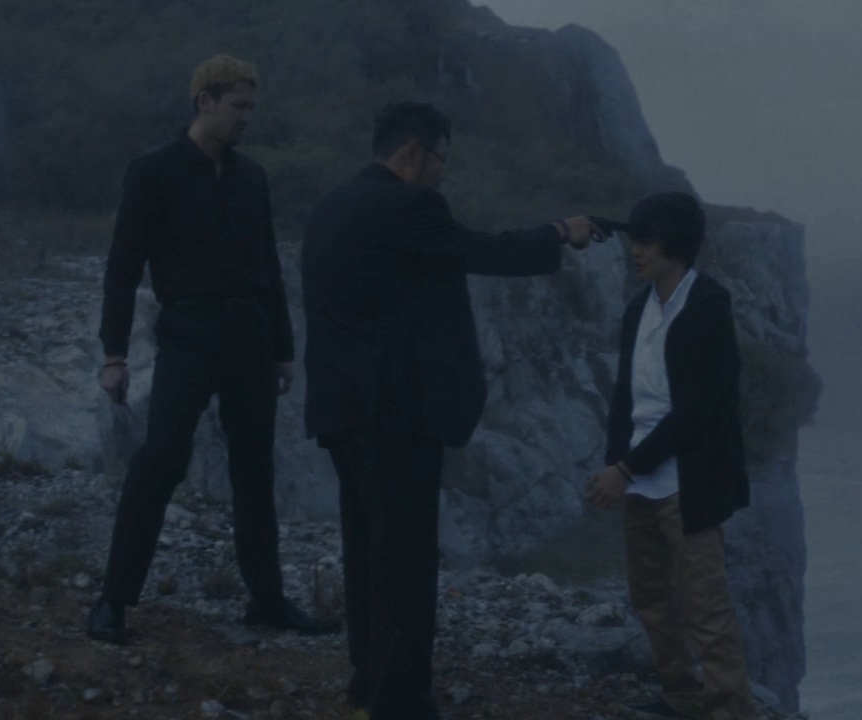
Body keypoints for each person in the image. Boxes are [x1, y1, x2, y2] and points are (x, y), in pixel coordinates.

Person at [301, 100, 605, 720]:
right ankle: (400, 701)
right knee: (406, 560)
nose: (443, 172)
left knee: (366, 550)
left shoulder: (331, 206)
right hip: (396, 414)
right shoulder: (411, 207)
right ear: (414, 151)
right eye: (441, 158)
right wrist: (559, 232)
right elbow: (484, 251)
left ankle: (368, 678)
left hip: (342, 406)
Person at [87, 54, 340, 644]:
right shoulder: (154, 171)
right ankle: (113, 600)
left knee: (255, 469)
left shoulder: (252, 177)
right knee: (160, 460)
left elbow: (268, 265)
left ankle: (267, 601)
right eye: (238, 106)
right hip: (189, 333)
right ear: (205, 101)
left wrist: (282, 348)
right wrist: (114, 354)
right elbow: (123, 268)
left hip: (250, 336)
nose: (247, 117)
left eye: (252, 107)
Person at [587, 192, 759, 720]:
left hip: (688, 482)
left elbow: (699, 409)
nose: (635, 251)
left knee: (705, 607)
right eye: (634, 240)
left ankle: (729, 709)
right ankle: (680, 696)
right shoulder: (638, 310)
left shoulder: (707, 306)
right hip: (640, 478)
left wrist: (624, 468)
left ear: (675, 246)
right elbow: (625, 397)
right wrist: (620, 464)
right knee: (651, 600)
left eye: (646, 241)